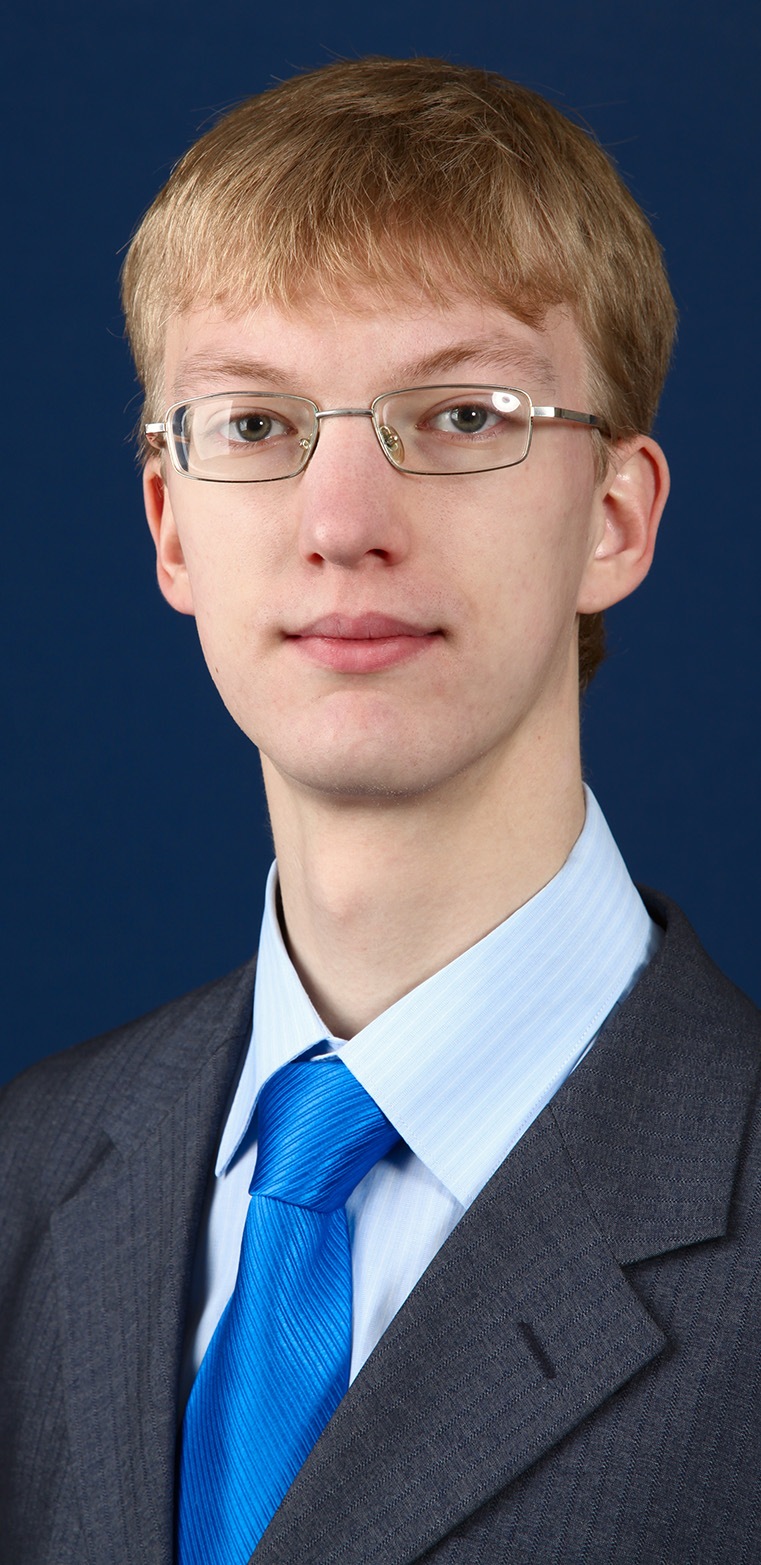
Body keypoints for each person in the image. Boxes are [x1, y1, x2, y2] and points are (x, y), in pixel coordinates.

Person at [1, 55, 759, 1565]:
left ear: (612, 519)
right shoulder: (26, 1171)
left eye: (463, 413)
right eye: (255, 426)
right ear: (169, 524)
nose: (342, 523)